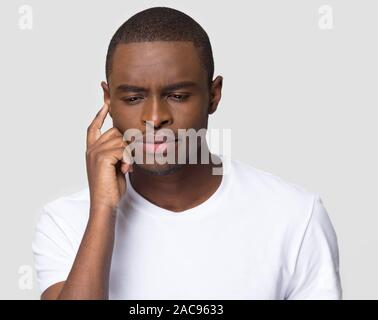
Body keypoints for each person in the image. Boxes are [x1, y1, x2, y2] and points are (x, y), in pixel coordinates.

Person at [32, 6, 342, 300]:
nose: (155, 118)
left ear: (213, 96)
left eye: (178, 95)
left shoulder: (295, 216)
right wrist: (102, 210)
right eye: (133, 98)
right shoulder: (66, 221)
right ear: (108, 100)